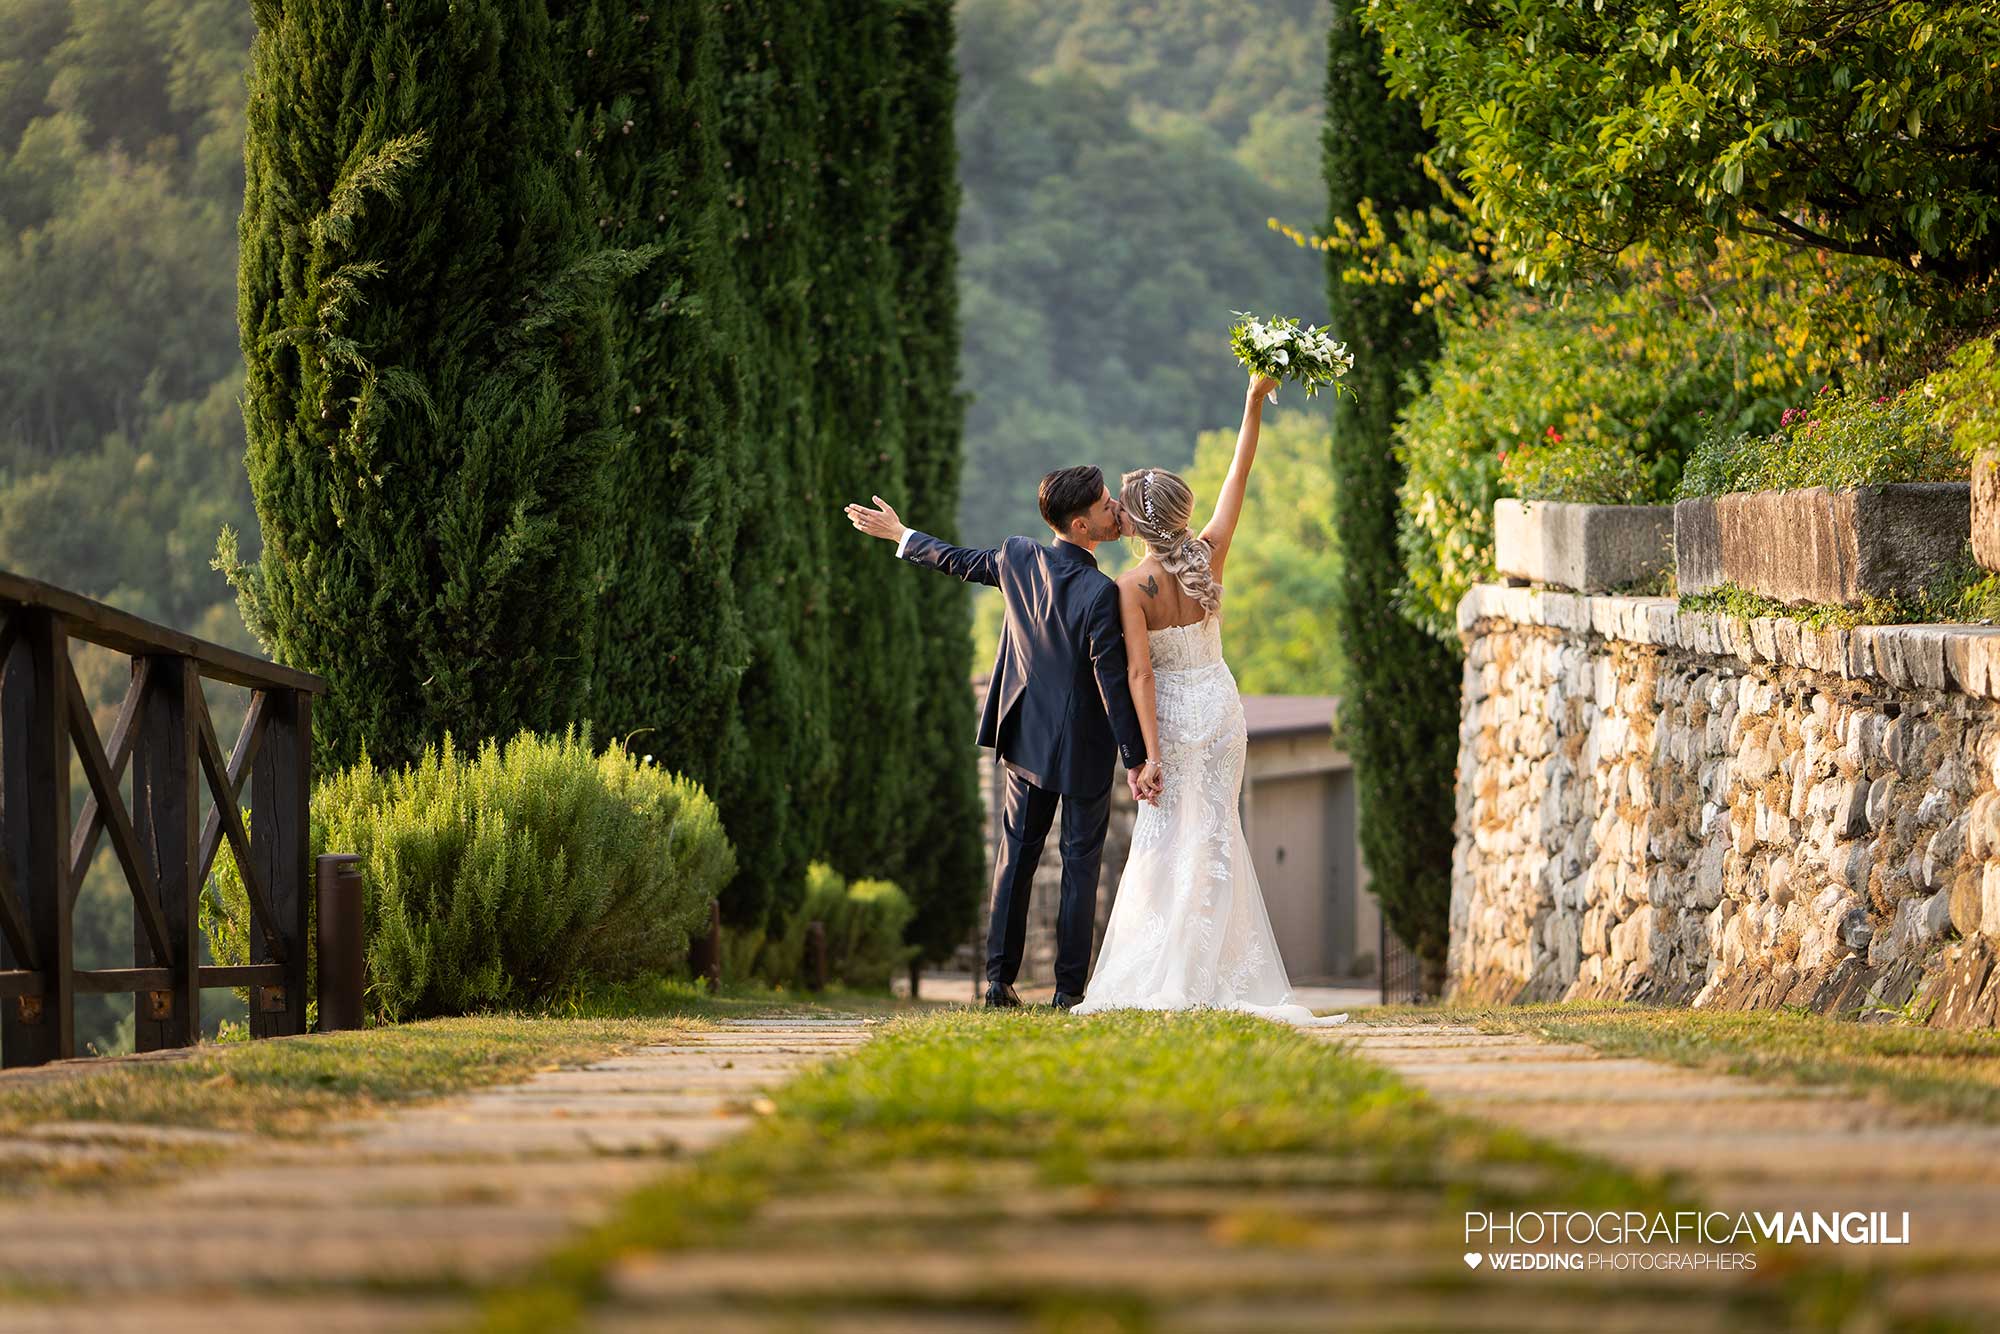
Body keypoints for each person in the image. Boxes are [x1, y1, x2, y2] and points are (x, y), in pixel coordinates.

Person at [1070, 372, 1348, 1026]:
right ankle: (1213, 968)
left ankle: (1173, 968)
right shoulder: (1208, 552)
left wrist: (1148, 756)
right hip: (1221, 709)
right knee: (1217, 835)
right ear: (1180, 513)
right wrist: (1252, 401)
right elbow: (1239, 475)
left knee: (1166, 837)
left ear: (1132, 523)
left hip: (1170, 715)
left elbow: (1140, 677)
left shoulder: (1130, 586)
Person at [843, 466, 1161, 1010]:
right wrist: (1136, 757)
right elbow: (1114, 681)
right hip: (1083, 748)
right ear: (1082, 525)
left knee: (1015, 857)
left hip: (1024, 737)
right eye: (1109, 505)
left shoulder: (1017, 556)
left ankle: (998, 983)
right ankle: (1067, 993)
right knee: (1080, 865)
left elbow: (960, 562)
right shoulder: (1103, 592)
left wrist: (902, 536)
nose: (1116, 510)